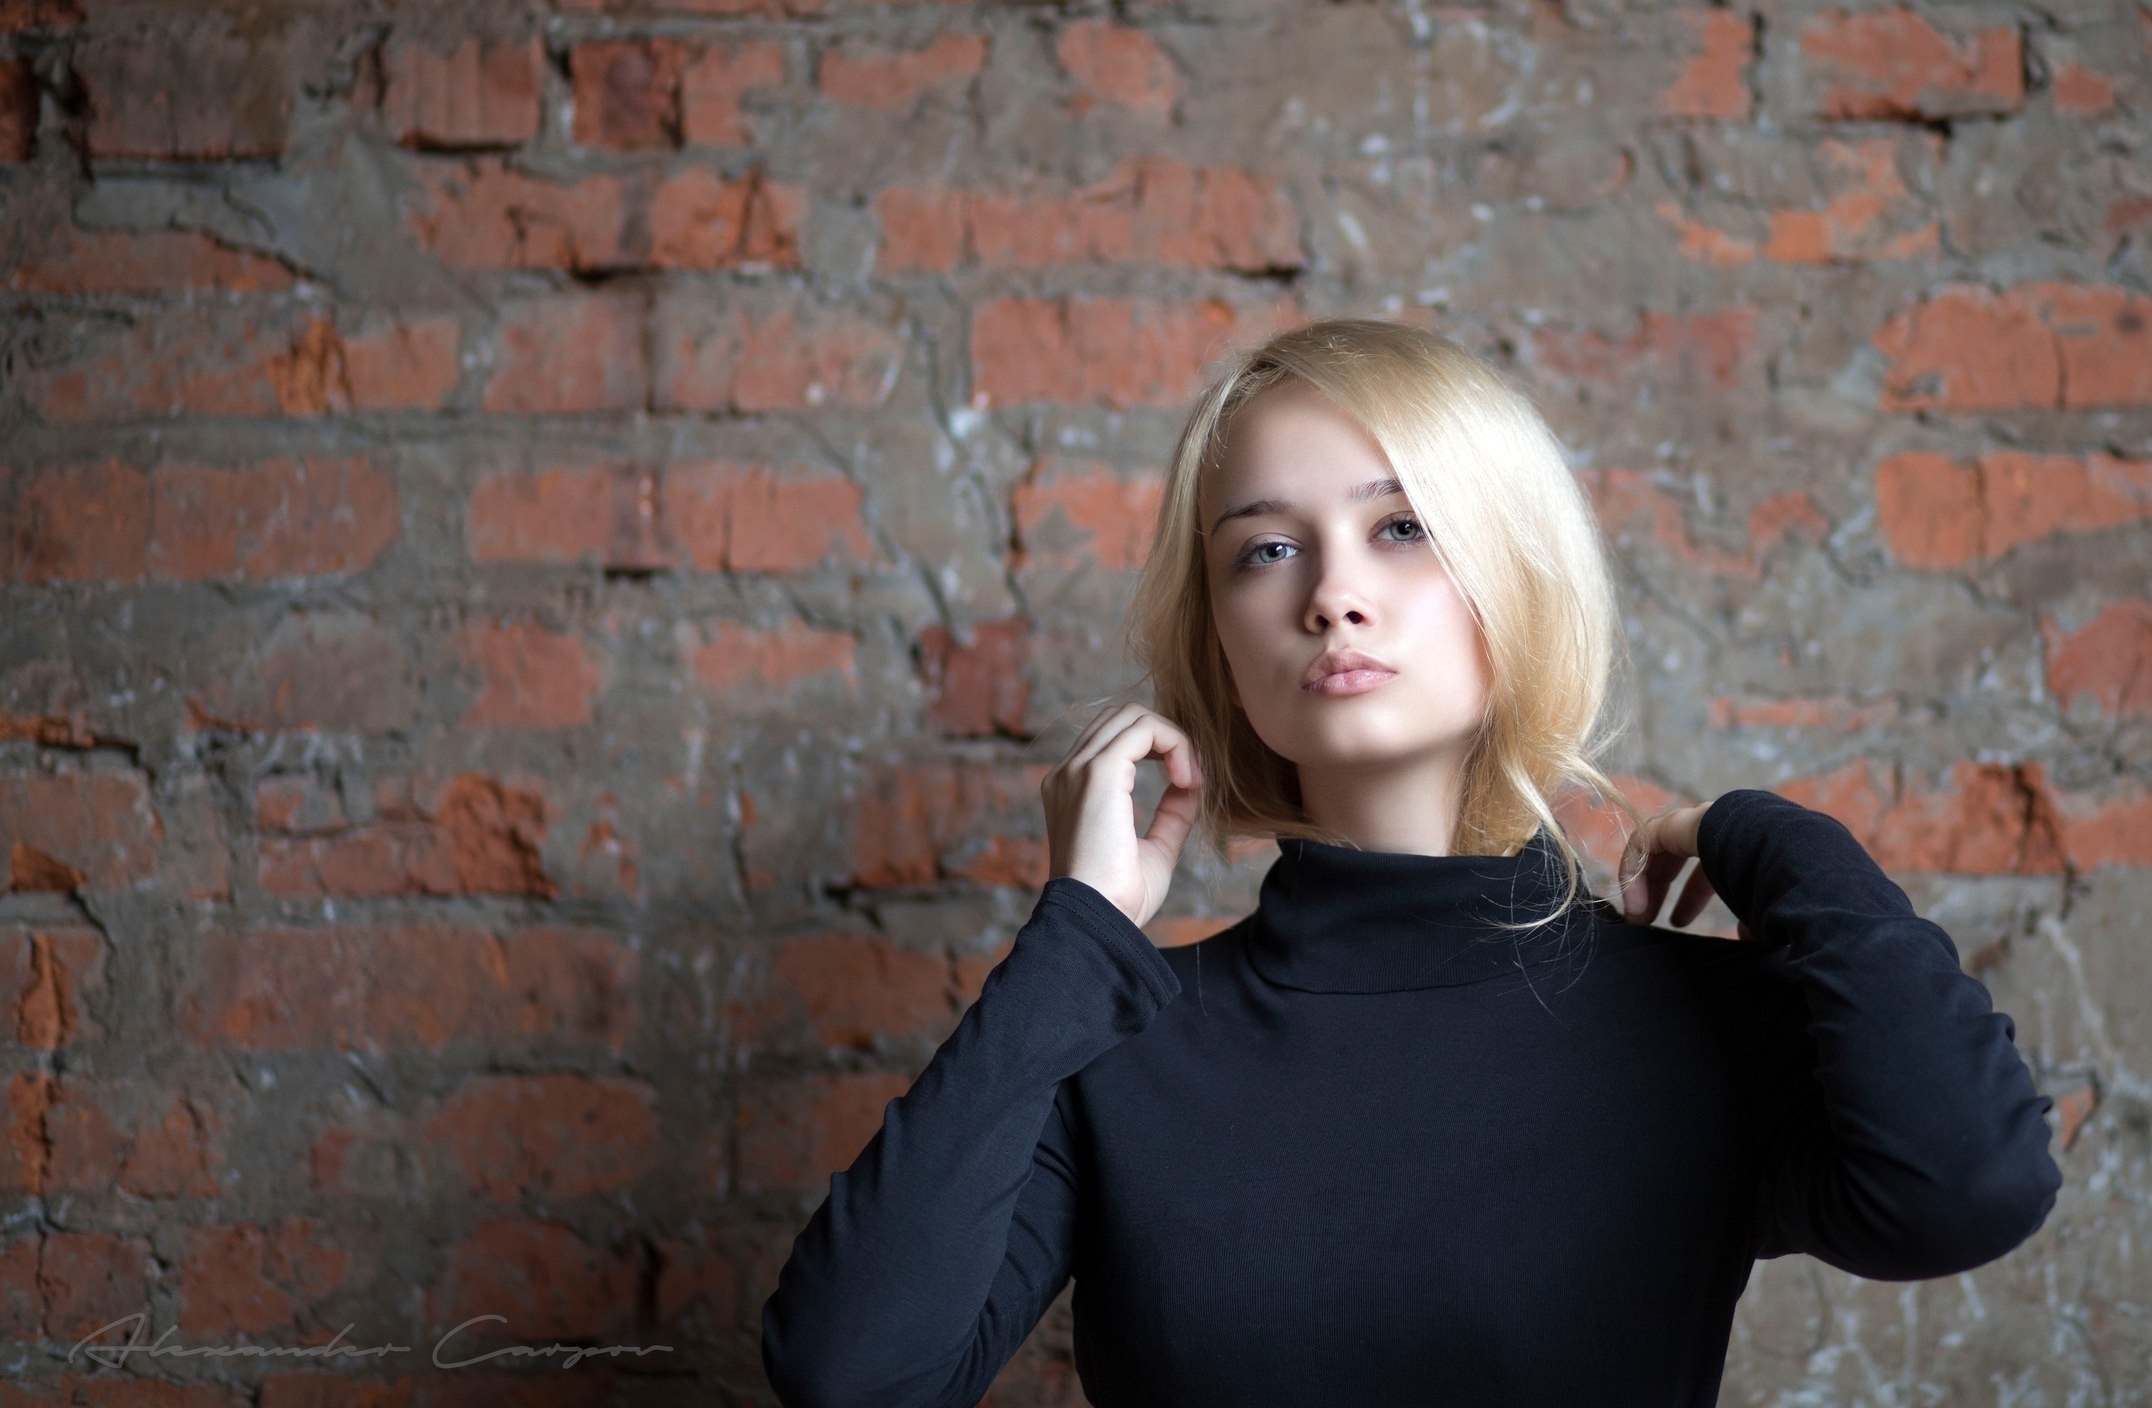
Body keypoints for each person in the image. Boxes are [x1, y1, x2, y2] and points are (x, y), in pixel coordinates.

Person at [760, 318, 2063, 1407]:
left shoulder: (1693, 1020)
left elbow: (1970, 1188)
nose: (1331, 593)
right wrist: (1076, 936)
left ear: (1514, 578)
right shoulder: (1117, 1045)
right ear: (1220, 641)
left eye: (1401, 528)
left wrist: (1769, 841)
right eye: (1265, 550)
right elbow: (853, 1377)